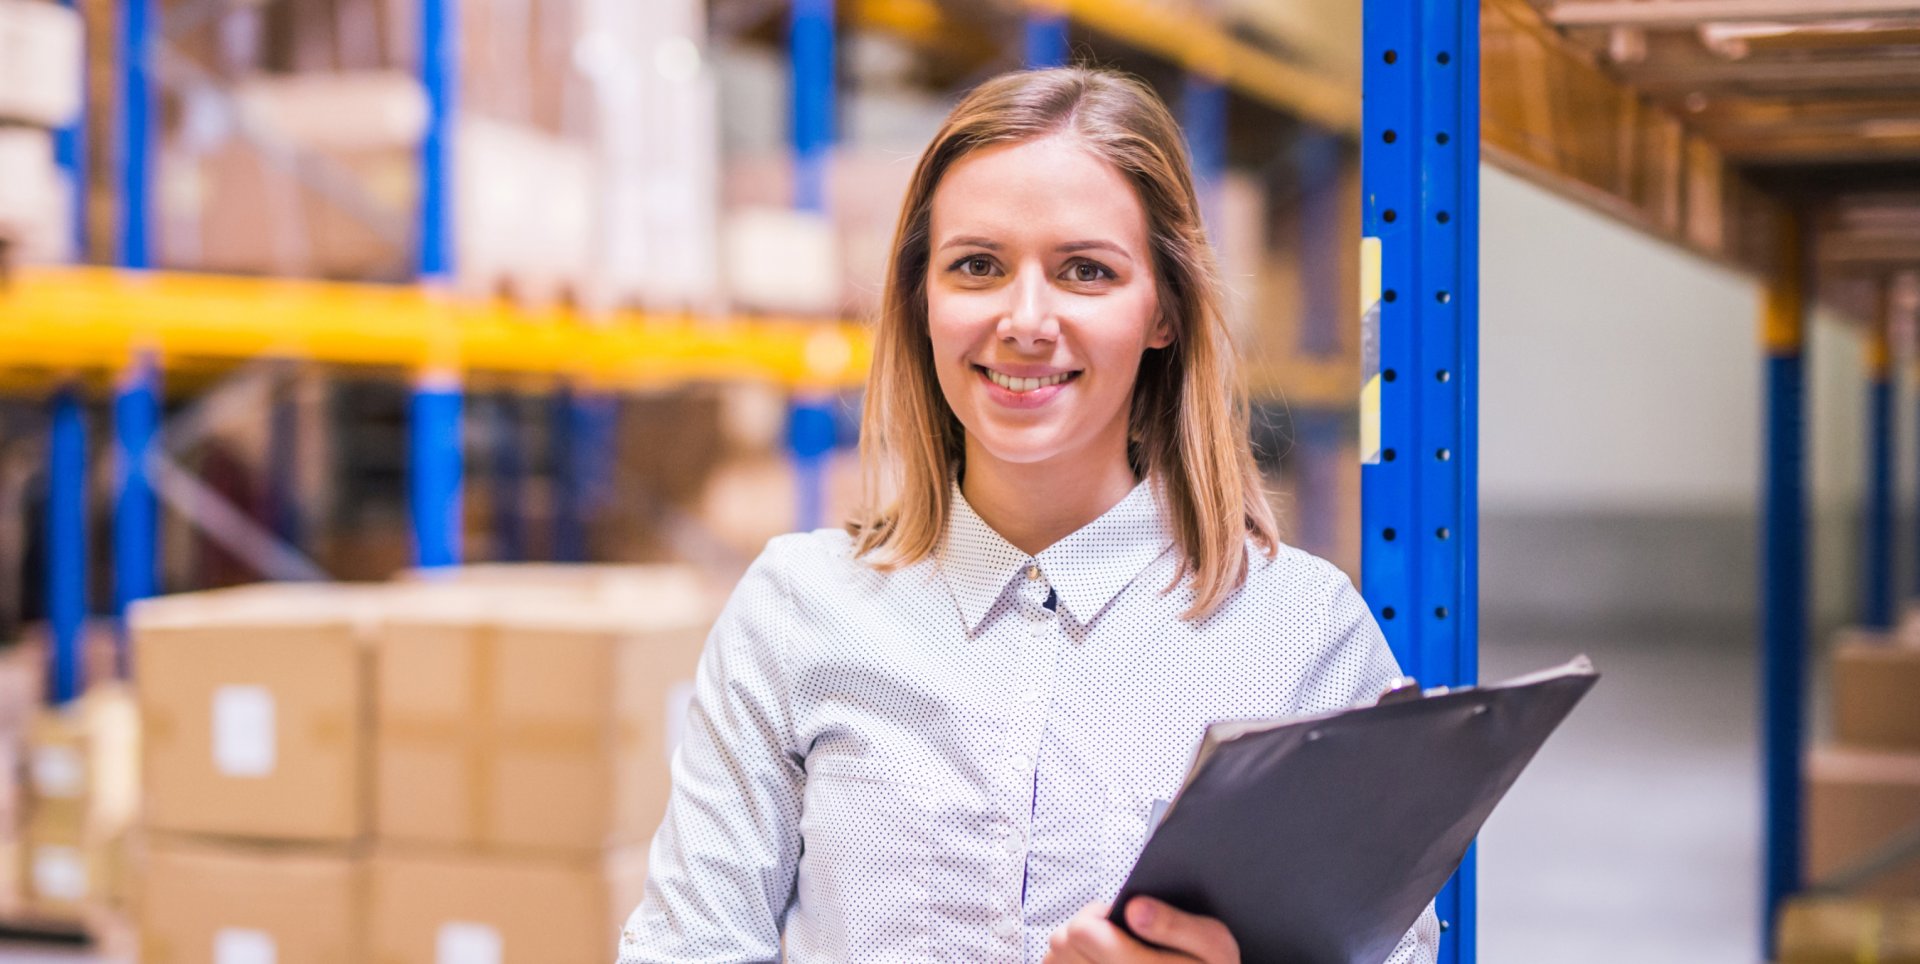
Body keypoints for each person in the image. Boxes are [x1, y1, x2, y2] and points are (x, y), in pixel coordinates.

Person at [618, 66, 1440, 964]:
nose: (1025, 319)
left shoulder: (1297, 631)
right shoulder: (795, 608)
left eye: (1086, 271)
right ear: (922, 299)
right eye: (977, 266)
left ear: (1163, 308)